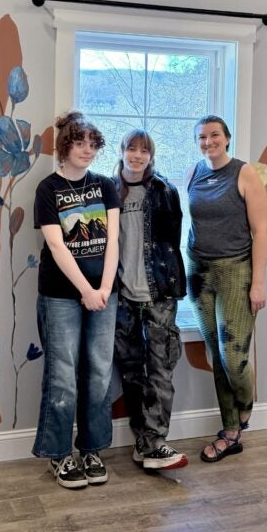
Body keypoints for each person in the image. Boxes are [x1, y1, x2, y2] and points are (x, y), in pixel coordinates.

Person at [32, 111, 120, 489]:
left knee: (99, 374)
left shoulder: (105, 187)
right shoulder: (48, 189)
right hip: (61, 296)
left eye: (92, 144)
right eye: (78, 143)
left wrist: (103, 288)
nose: (86, 150)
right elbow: (55, 243)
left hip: (104, 294)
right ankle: (59, 455)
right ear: (63, 147)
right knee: (62, 377)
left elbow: (113, 240)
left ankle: (92, 448)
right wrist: (85, 290)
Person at [186, 115, 267, 463]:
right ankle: (230, 431)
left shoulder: (244, 173)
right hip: (198, 271)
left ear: (227, 138)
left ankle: (244, 410)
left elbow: (260, 231)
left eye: (215, 135)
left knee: (234, 358)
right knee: (214, 355)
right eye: (202, 137)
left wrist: (258, 283)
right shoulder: (194, 173)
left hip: (235, 271)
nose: (209, 142)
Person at [113, 129, 189, 471]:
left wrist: (169, 286)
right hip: (121, 297)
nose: (137, 155)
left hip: (158, 294)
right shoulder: (109, 191)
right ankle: (143, 442)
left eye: (144, 150)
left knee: (161, 370)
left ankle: (156, 441)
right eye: (132, 148)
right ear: (122, 152)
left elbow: (171, 243)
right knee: (131, 372)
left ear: (151, 156)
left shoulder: (164, 191)